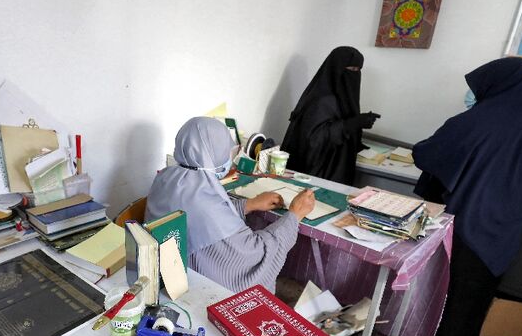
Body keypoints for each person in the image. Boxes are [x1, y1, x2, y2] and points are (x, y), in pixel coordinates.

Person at [413, 57, 522, 336]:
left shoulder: (482, 119)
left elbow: (429, 153)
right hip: (509, 223)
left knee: (448, 285)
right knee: (479, 285)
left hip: (469, 218)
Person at [145, 117, 316, 295]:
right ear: (213, 152)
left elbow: (202, 218)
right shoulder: (206, 204)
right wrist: (294, 215)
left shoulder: (166, 177)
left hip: (167, 271)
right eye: (225, 151)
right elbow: (254, 253)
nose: (228, 158)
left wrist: (248, 204)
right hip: (196, 285)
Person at [281, 46, 380, 185]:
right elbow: (314, 140)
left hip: (335, 168)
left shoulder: (341, 97)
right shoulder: (322, 100)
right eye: (351, 70)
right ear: (337, 69)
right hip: (318, 176)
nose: (355, 74)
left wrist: (356, 129)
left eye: (358, 70)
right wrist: (353, 123)